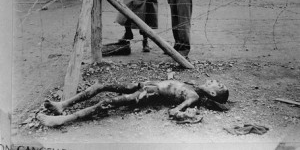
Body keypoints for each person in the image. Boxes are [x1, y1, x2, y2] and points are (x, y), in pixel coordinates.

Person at [37, 79, 229, 127]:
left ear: (212, 92)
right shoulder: (194, 87)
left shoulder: (194, 97)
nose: (213, 80)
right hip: (146, 85)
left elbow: (175, 110)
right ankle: (62, 105)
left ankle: (63, 120)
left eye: (217, 84)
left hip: (148, 94)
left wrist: (181, 112)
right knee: (102, 85)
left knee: (107, 102)